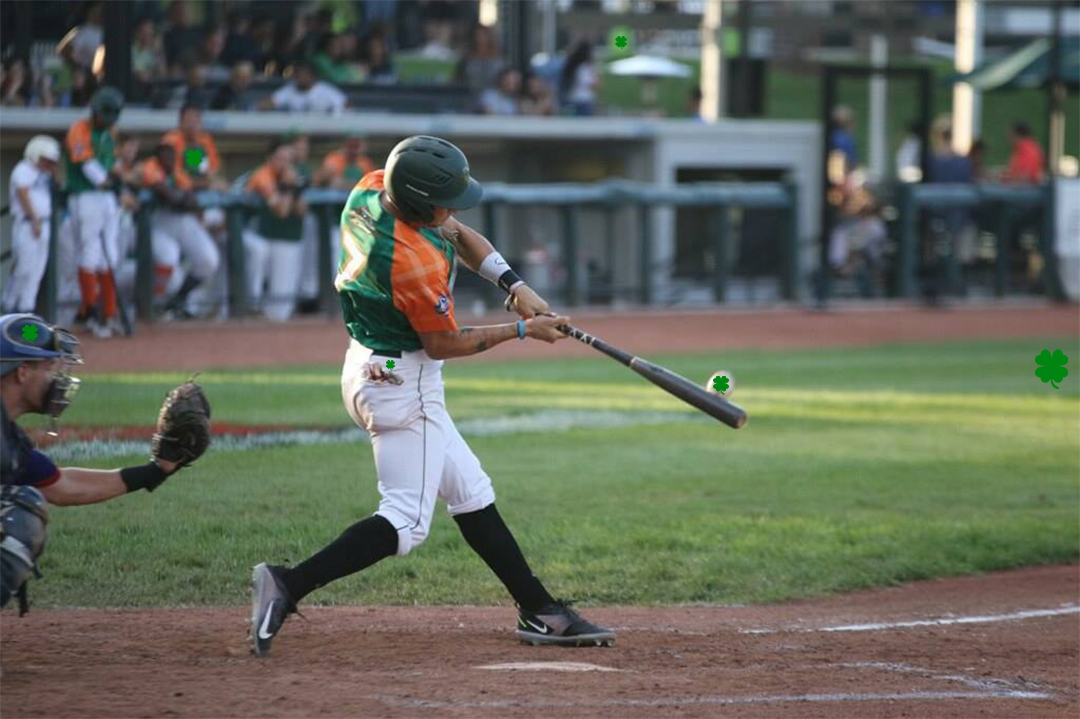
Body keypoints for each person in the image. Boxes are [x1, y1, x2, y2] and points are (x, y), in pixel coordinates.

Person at [249, 135, 615, 658]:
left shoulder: (373, 189)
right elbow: (443, 341)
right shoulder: (410, 262)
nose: (454, 209)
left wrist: (513, 283)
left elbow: (458, 232)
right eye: (446, 199)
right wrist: (522, 331)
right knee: (405, 521)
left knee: (470, 489)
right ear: (420, 202)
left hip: (368, 363)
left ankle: (540, 610)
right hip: (405, 383)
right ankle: (286, 583)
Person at [0, 313, 203, 614]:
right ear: (23, 372)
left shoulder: (9, 438)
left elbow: (62, 486)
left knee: (24, 505)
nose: (58, 379)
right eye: (50, 368)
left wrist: (154, 471)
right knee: (18, 519)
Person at [64, 86, 123, 338]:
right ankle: (92, 311)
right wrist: (108, 182)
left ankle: (108, 312)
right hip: (85, 196)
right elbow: (88, 165)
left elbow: (113, 165)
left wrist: (116, 182)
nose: (106, 120)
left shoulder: (109, 134)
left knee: (110, 254)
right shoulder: (80, 128)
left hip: (106, 199)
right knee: (89, 252)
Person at [140, 143, 220, 319]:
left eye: (197, 119)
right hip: (158, 220)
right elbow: (169, 195)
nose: (169, 160)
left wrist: (184, 197)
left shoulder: (199, 145)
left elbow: (191, 193)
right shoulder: (158, 158)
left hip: (184, 220)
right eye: (190, 119)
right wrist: (181, 197)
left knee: (209, 260)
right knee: (169, 257)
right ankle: (154, 305)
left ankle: (177, 302)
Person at [245, 139, 307, 321]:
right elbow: (281, 211)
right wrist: (288, 187)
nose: (285, 163)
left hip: (266, 236)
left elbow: (302, 210)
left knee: (282, 303)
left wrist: (294, 188)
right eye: (280, 158)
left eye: (288, 159)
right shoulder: (264, 175)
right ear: (269, 158)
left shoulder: (200, 146)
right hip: (237, 228)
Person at [3, 137, 60, 314]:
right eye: (45, 160)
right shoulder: (23, 169)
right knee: (23, 268)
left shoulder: (45, 173)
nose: (48, 164)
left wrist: (53, 171)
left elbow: (60, 184)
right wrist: (34, 219)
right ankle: (9, 308)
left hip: (44, 224)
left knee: (37, 271)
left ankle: (26, 312)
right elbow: (23, 193)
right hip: (27, 224)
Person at [161, 104, 225, 191]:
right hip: (175, 188)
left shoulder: (205, 140)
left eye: (196, 121)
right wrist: (200, 183)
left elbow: (211, 169)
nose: (192, 126)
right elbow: (174, 174)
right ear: (180, 122)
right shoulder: (171, 140)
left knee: (222, 186)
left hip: (201, 185)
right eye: (189, 121)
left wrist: (211, 180)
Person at [260, 61, 346, 115]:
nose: (299, 78)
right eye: (297, 75)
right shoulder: (290, 89)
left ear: (312, 76)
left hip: (322, 131)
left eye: (303, 75)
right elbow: (270, 103)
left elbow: (345, 105)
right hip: (295, 131)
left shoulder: (326, 90)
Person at [455, 25, 505, 96]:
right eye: (478, 35)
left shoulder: (498, 57)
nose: (480, 38)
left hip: (492, 97)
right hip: (470, 95)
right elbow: (460, 78)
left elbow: (502, 78)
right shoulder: (467, 57)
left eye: (483, 35)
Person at [560, 40, 598, 116]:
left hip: (572, 99)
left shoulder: (571, 65)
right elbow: (591, 84)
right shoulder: (584, 67)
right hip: (584, 100)